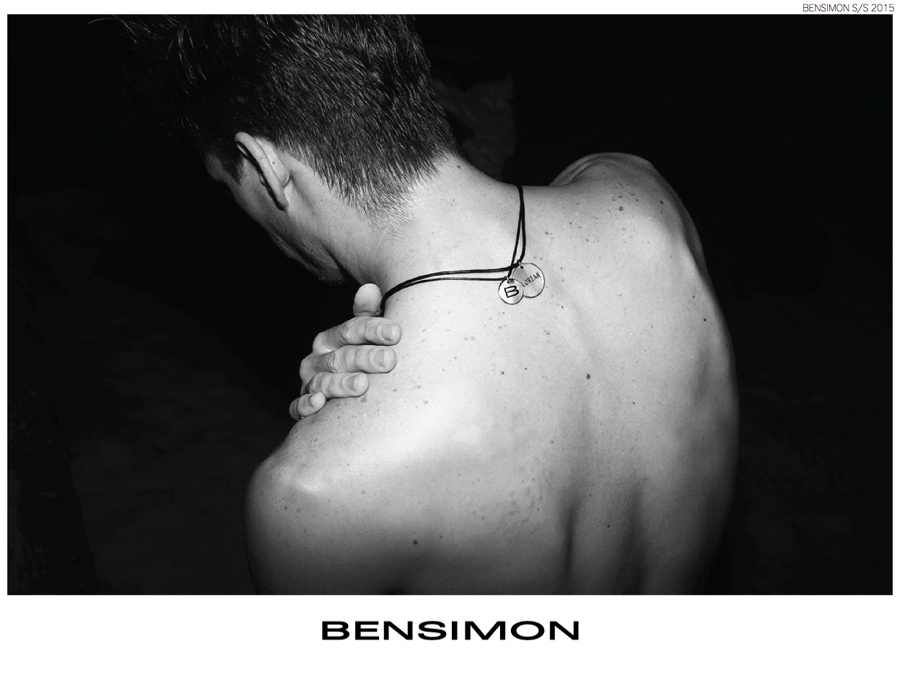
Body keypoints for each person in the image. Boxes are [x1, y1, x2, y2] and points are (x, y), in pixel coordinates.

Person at [122, 16, 738, 593]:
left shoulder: (315, 494)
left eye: (226, 187)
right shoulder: (643, 200)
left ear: (265, 165)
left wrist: (354, 427)